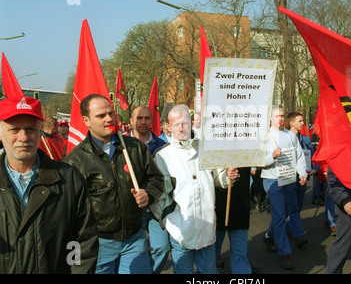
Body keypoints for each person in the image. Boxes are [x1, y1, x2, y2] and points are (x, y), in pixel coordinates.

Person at [63, 94, 164, 274]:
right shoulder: (75, 161)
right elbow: (69, 213)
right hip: (98, 244)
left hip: (135, 238)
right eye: (101, 115)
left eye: (110, 113)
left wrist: (148, 193)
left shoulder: (135, 148)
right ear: (86, 120)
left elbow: (156, 179)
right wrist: (74, 255)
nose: (109, 118)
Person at [0, 96, 98, 273]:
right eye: (14, 129)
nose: (23, 137)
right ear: (0, 133)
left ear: (40, 131)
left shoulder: (69, 179)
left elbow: (78, 241)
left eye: (30, 129)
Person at [150, 104, 238, 274]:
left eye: (184, 123)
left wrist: (228, 176)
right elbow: (159, 196)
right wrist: (170, 220)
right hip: (180, 230)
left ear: (191, 122)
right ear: (169, 126)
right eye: (176, 124)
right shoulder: (162, 156)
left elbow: (219, 178)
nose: (181, 128)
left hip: (207, 225)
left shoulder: (206, 148)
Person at [261, 105, 308, 270]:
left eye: (282, 115)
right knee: (280, 215)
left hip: (288, 179)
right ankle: (285, 253)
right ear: (270, 118)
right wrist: (271, 156)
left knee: (287, 212)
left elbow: (299, 155)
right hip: (272, 180)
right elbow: (257, 160)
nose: (280, 119)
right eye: (277, 116)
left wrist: (302, 172)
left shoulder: (290, 135)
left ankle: (270, 235)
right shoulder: (264, 136)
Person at [129, 105, 169, 274]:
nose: (143, 122)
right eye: (139, 118)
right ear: (131, 121)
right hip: (131, 208)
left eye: (146, 118)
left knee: (162, 247)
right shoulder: (120, 144)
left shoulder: (162, 146)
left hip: (155, 207)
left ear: (152, 121)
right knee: (134, 253)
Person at [286, 111, 318, 245]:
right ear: (292, 123)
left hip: (302, 177)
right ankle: (299, 234)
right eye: (300, 121)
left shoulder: (305, 139)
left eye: (303, 121)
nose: (303, 123)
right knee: (292, 206)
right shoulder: (284, 138)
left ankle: (286, 228)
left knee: (297, 206)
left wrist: (313, 170)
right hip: (288, 177)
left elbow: (311, 156)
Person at [215, 167, 252, 274]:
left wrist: (271, 156)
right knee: (211, 248)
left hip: (240, 206)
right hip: (217, 206)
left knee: (240, 250)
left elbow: (260, 158)